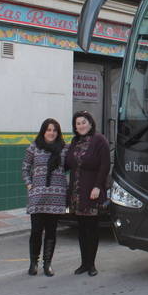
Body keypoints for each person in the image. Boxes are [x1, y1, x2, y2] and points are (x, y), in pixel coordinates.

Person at [65, 111, 110, 276]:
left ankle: (91, 264)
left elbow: (105, 165)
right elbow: (68, 163)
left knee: (92, 228)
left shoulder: (99, 140)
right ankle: (83, 263)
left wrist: (98, 186)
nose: (81, 126)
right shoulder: (75, 141)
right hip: (77, 193)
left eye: (84, 122)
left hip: (92, 191)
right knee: (81, 229)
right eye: (77, 124)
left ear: (90, 123)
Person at [21, 118, 68, 276]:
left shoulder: (63, 149)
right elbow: (25, 168)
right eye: (48, 130)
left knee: (51, 232)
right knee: (36, 231)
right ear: (43, 131)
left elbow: (73, 166)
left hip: (56, 198)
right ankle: (33, 263)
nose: (52, 133)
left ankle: (47, 264)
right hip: (38, 197)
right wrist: (30, 185)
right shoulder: (34, 147)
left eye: (55, 130)